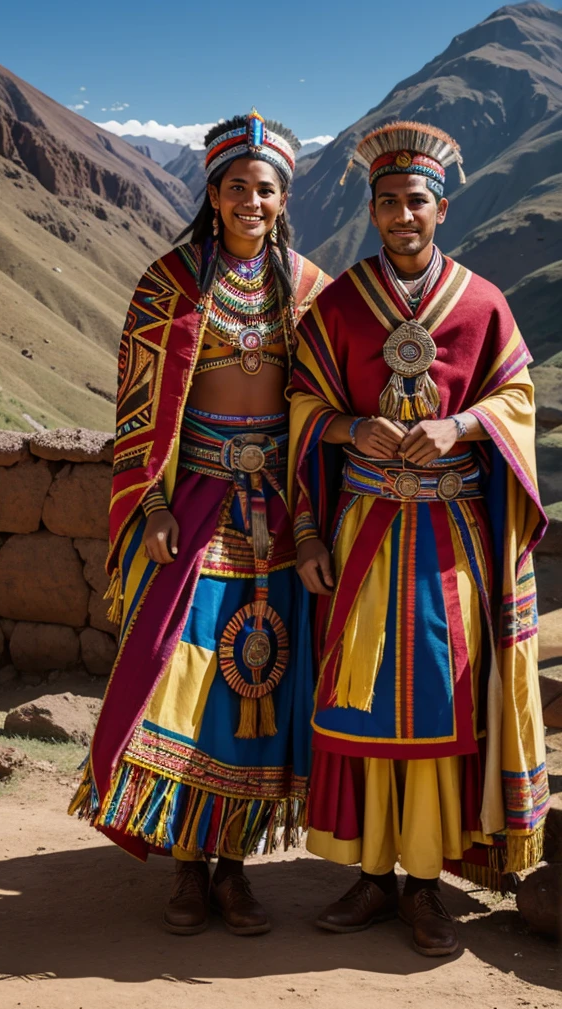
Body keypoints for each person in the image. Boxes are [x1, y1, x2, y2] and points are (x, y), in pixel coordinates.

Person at [288, 121, 549, 957]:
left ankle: (428, 882)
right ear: (371, 211)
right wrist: (342, 429)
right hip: (365, 531)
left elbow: (518, 397)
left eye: (418, 202)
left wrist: (462, 426)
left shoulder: (481, 305)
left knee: (441, 700)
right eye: (389, 203)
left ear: (443, 209)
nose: (404, 215)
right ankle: (371, 874)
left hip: (449, 542)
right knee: (360, 700)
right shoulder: (339, 305)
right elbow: (298, 405)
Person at [69, 111, 329, 936]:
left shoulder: (310, 288)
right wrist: (147, 503)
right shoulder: (169, 283)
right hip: (192, 504)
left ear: (284, 198)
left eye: (266, 189)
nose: (251, 200)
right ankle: (185, 860)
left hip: (280, 511)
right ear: (212, 195)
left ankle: (235, 867)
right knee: (182, 680)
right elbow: (139, 406)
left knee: (263, 675)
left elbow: (324, 406)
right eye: (236, 187)